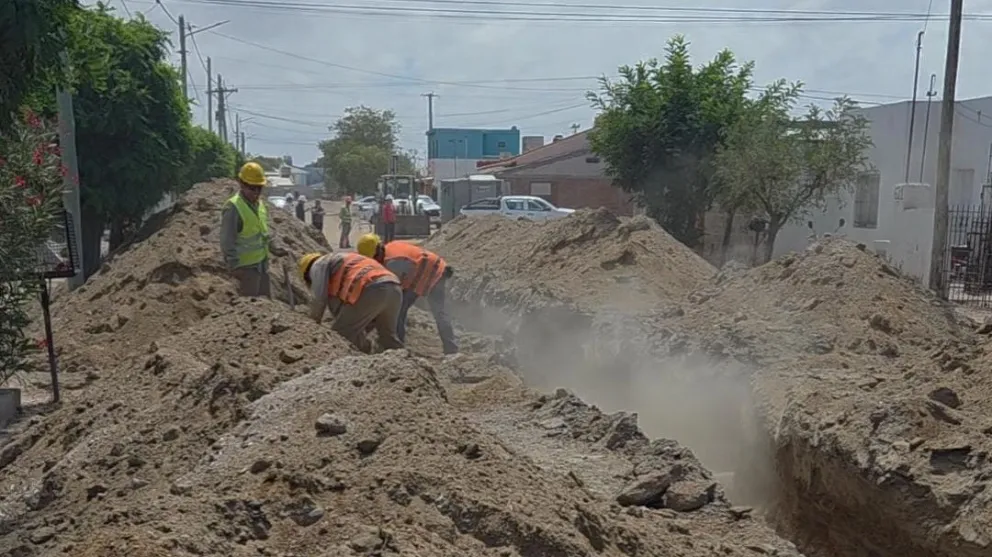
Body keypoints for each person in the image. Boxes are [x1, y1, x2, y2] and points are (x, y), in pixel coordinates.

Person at [357, 233, 458, 354]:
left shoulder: (393, 262)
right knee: (437, 312)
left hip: (433, 273)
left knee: (399, 310)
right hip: (432, 268)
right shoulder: (390, 248)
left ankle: (397, 348)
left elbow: (395, 291)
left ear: (377, 252)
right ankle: (451, 350)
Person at [298, 251, 404, 353]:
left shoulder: (318, 265)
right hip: (394, 287)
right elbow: (343, 312)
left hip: (371, 288)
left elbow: (319, 299)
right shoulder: (342, 261)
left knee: (339, 334)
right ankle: (405, 365)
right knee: (388, 338)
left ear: (307, 274)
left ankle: (364, 355)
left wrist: (312, 324)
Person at [220, 162, 287, 297]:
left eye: (259, 188)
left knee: (265, 305)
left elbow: (262, 232)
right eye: (252, 188)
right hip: (245, 269)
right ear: (241, 184)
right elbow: (227, 240)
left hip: (261, 265)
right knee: (250, 307)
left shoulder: (259, 205)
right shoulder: (233, 207)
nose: (256, 192)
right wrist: (234, 266)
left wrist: (274, 248)